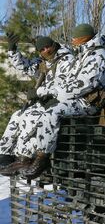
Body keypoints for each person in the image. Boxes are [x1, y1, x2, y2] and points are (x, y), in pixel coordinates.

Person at [20, 24, 105, 179]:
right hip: (79, 99)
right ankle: (26, 158)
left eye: (75, 38)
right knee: (35, 113)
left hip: (89, 103)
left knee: (52, 112)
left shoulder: (98, 56)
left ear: (83, 38)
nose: (72, 41)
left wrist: (47, 92)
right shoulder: (86, 53)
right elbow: (69, 81)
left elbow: (81, 85)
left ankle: (42, 158)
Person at [0, 35, 75, 176]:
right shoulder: (43, 62)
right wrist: (12, 50)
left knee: (30, 118)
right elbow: (25, 66)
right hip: (44, 99)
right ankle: (5, 154)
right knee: (17, 115)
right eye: (42, 49)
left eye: (47, 47)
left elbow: (66, 87)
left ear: (54, 44)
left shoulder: (66, 60)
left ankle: (26, 158)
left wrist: (39, 92)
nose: (46, 50)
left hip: (59, 100)